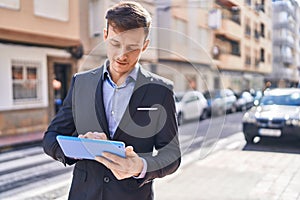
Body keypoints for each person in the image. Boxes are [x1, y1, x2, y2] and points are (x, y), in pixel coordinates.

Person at [43, 1, 181, 200]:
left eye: (132, 47)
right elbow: (51, 137)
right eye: (115, 44)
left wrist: (140, 166)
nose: (122, 55)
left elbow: (172, 155)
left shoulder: (160, 91)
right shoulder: (81, 83)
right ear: (105, 36)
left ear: (145, 46)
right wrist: (79, 148)